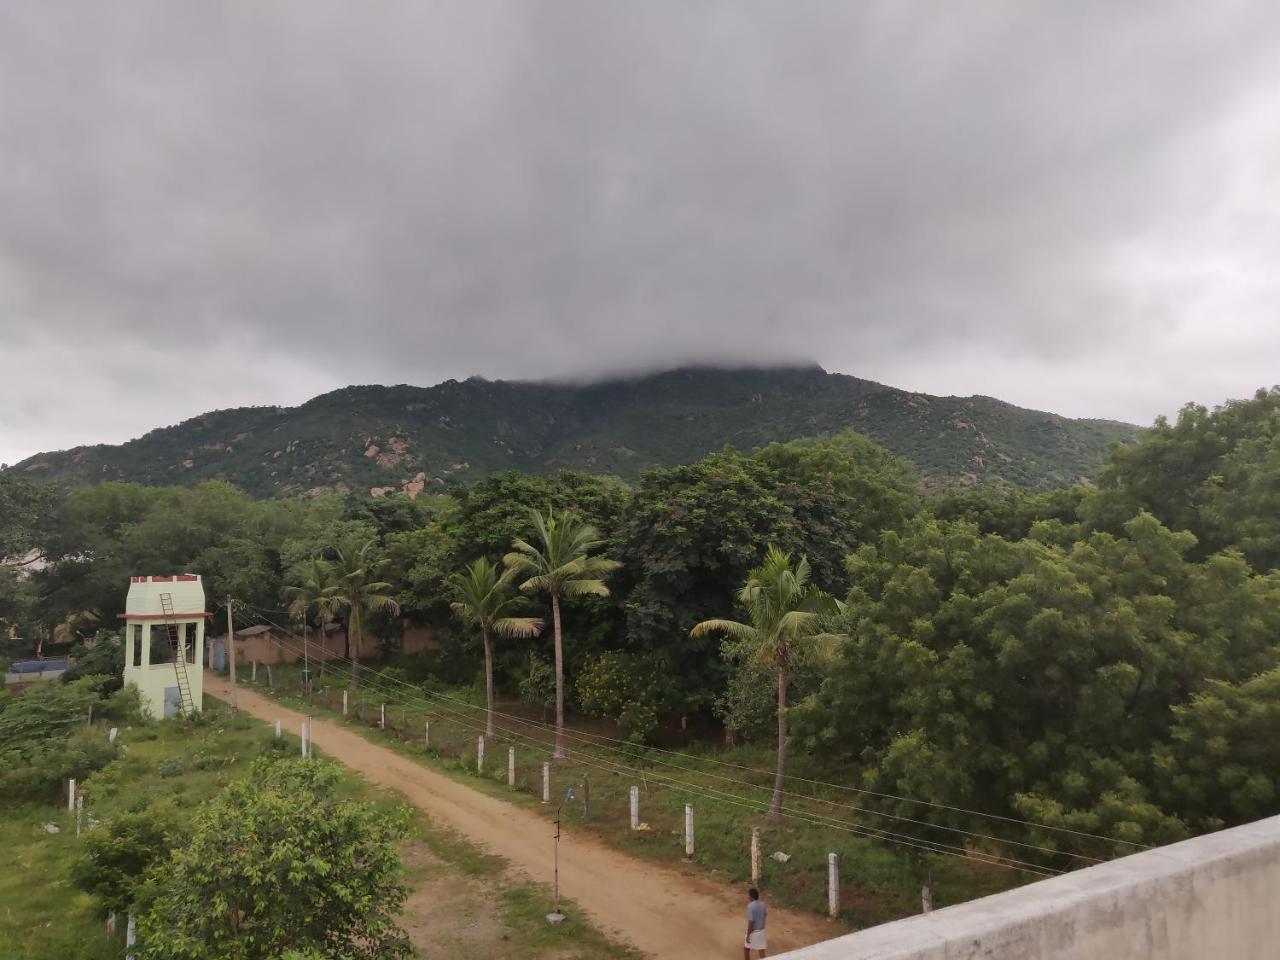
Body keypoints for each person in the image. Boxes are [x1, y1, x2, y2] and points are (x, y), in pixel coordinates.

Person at [744, 887, 767, 958]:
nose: (748, 897)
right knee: (762, 952)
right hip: (761, 932)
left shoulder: (750, 906)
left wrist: (748, 935)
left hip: (754, 932)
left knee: (746, 949)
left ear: (751, 896)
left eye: (748, 895)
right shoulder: (763, 904)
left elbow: (751, 922)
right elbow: (765, 915)